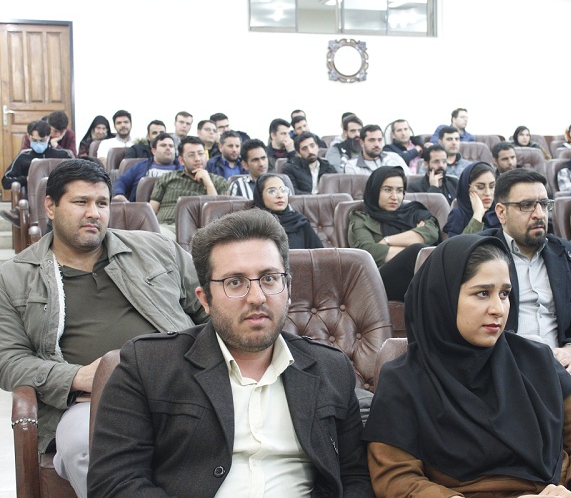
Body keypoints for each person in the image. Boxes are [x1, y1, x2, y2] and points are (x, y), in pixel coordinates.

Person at [88, 208, 373, 497]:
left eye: (269, 278)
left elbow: (355, 477)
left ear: (288, 288)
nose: (257, 297)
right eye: (235, 282)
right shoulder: (148, 365)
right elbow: (115, 482)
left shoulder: (331, 368)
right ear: (205, 299)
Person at [0, 159, 208, 496]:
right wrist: (78, 377)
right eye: (81, 202)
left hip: (179, 386)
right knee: (88, 451)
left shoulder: (158, 250)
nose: (94, 213)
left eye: (102, 203)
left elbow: (212, 311)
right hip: (89, 402)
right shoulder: (15, 276)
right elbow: (9, 360)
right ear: (51, 206)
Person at [363, 234, 571, 498]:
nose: (499, 309)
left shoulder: (537, 360)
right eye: (482, 293)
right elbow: (398, 479)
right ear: (443, 297)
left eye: (504, 294)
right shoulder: (404, 381)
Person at [486, 168, 571, 427]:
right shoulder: (481, 255)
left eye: (543, 204)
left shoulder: (569, 256)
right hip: (504, 370)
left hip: (566, 370)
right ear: (501, 212)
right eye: (526, 205)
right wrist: (537, 368)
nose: (539, 214)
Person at [348, 166, 439, 301]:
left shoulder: (413, 212)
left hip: (418, 276)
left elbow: (431, 232)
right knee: (418, 251)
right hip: (379, 279)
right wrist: (412, 244)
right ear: (374, 190)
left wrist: (387, 240)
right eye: (388, 190)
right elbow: (368, 251)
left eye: (399, 190)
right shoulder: (361, 218)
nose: (394, 197)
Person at [149, 136, 229, 238]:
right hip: (165, 227)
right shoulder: (167, 178)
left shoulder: (219, 181)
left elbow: (218, 216)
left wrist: (208, 183)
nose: (197, 159)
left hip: (199, 231)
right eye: (191, 155)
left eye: (201, 153)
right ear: (181, 160)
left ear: (206, 156)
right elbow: (152, 210)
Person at [253, 173, 323, 249]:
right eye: (272, 191)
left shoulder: (299, 221)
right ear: (260, 196)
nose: (280, 195)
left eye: (283, 190)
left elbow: (319, 253)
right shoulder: (254, 224)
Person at [2, 120, 71, 190]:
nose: (38, 144)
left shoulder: (62, 155)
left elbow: (73, 174)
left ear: (48, 136)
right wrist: (26, 179)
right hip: (32, 194)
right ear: (29, 137)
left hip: (57, 192)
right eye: (34, 140)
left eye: (42, 140)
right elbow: (6, 181)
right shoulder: (23, 157)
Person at [113, 133, 181, 202]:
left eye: (171, 146)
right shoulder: (140, 166)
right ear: (154, 151)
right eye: (163, 145)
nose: (168, 148)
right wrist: (119, 194)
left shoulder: (183, 169)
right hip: (142, 206)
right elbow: (121, 181)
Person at [443, 161, 498, 237]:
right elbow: (460, 244)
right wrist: (477, 215)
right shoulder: (458, 215)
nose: (488, 193)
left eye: (492, 186)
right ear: (466, 188)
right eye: (480, 187)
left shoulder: (500, 212)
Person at [343, 125, 408, 175]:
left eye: (379, 140)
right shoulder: (352, 166)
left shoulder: (394, 157)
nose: (377, 144)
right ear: (362, 143)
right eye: (372, 140)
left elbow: (409, 180)